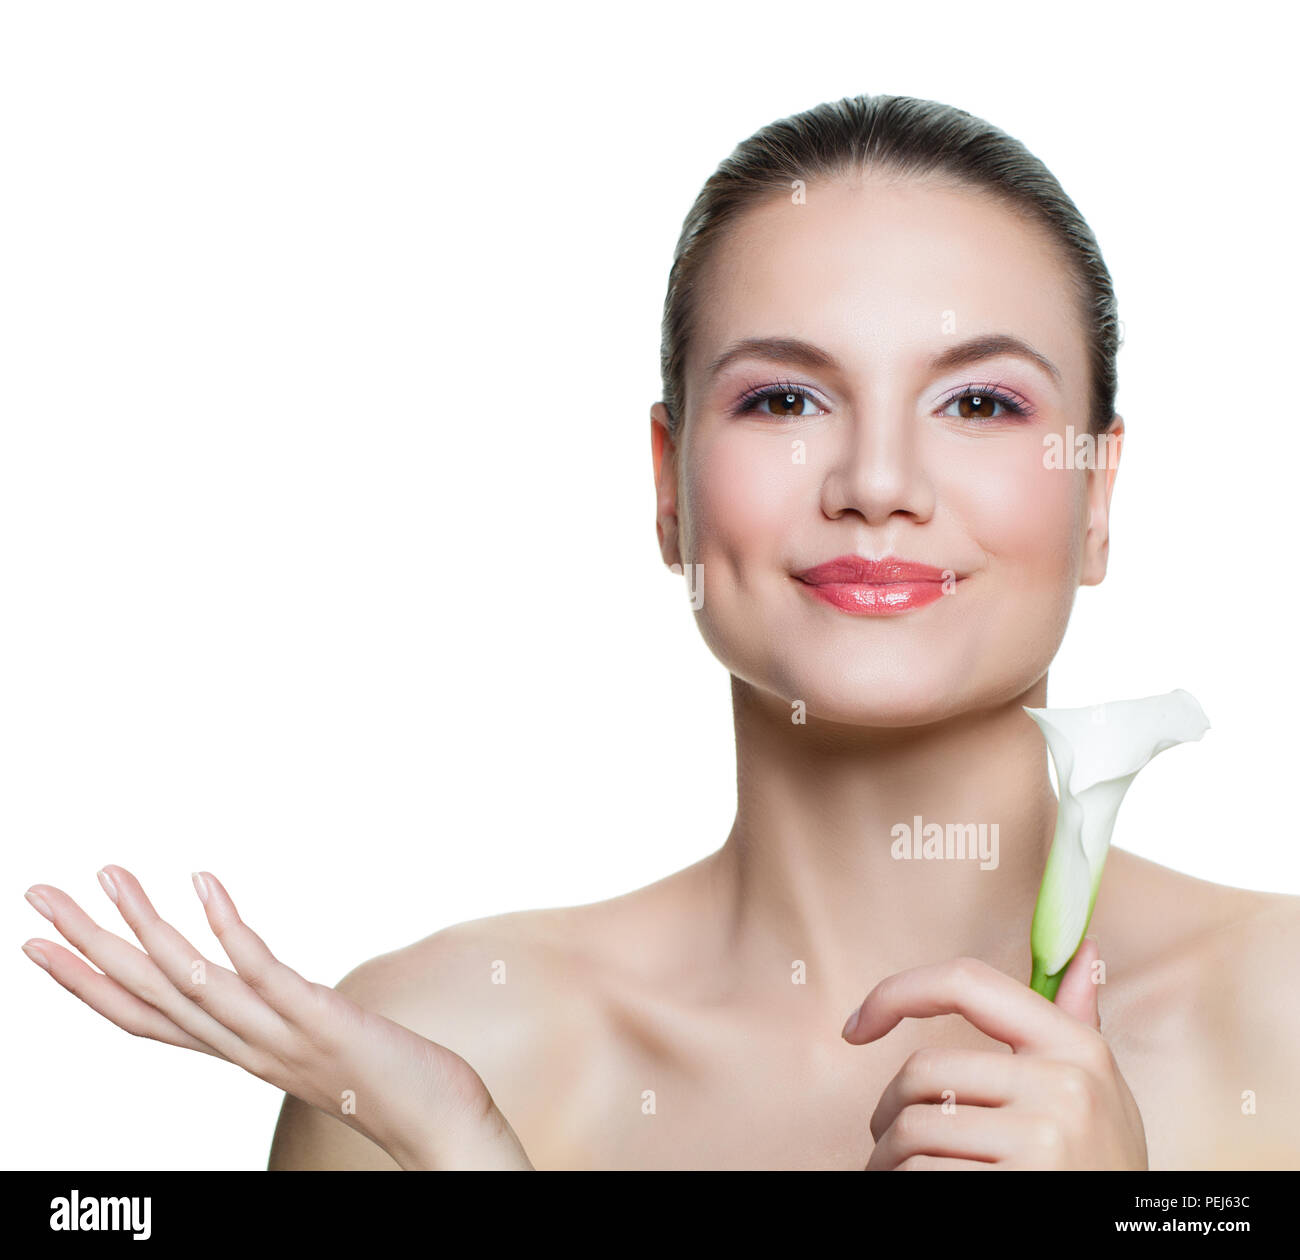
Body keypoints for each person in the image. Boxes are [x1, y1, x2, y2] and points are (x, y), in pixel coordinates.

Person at [21, 93, 1300, 1170]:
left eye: (978, 401)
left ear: (1096, 493)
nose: (875, 481)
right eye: (786, 396)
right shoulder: (446, 1050)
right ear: (667, 484)